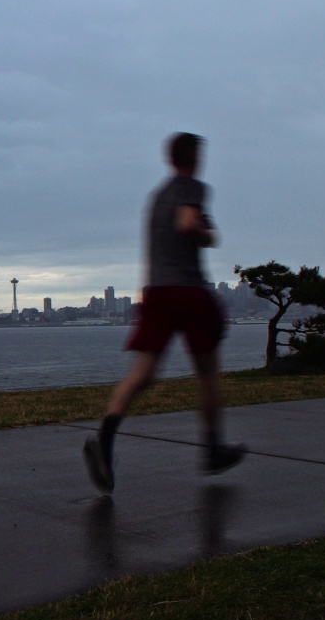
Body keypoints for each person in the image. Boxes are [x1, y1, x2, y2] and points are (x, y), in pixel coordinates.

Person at [83, 132, 244, 494]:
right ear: (193, 157)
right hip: (187, 289)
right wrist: (207, 234)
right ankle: (213, 449)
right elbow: (188, 225)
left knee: (143, 372)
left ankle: (104, 442)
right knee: (207, 373)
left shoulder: (156, 197)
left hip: (155, 291)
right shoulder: (192, 187)